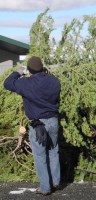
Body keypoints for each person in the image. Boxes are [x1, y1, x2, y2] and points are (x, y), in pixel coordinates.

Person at [4, 56, 61, 195]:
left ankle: (45, 188)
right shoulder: (54, 80)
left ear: (28, 70)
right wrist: (44, 73)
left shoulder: (25, 83)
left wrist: (18, 72)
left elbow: (7, 83)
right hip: (53, 121)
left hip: (38, 125)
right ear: (42, 68)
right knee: (53, 150)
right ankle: (56, 181)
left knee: (40, 155)